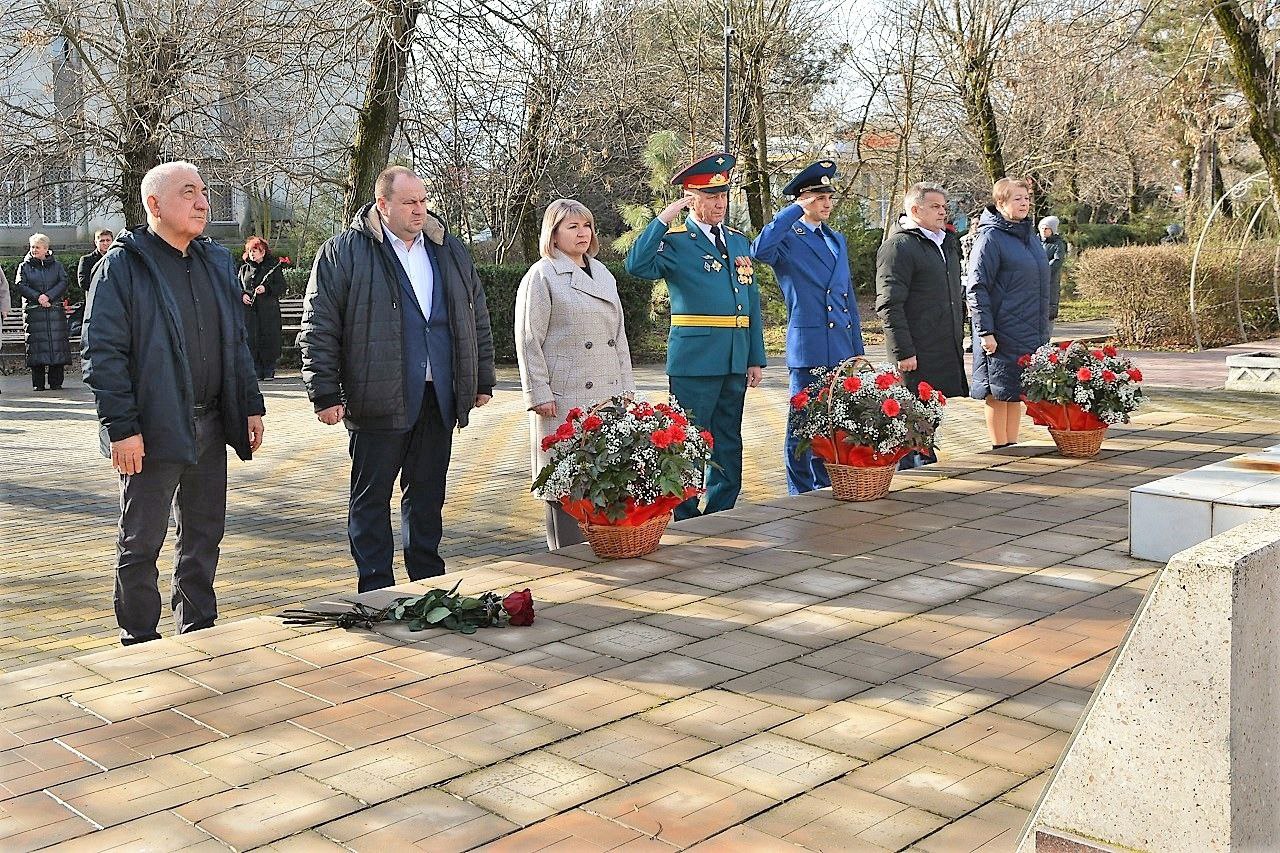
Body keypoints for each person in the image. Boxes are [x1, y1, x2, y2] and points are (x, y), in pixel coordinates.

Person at [81, 161, 266, 646]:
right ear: (154, 204)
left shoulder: (217, 262)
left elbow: (236, 343)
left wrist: (249, 404)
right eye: (189, 192)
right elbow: (102, 354)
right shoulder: (122, 266)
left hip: (211, 427)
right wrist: (121, 428)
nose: (203, 201)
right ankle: (138, 638)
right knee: (141, 542)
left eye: (204, 191)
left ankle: (198, 632)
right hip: (152, 430)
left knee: (203, 537)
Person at [299, 165, 496, 592]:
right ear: (383, 204)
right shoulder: (343, 252)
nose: (419, 210)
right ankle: (377, 588)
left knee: (427, 495)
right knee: (371, 498)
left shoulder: (448, 250)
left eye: (424, 201)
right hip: (377, 395)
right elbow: (319, 325)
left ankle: (427, 580)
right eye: (410, 202)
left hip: (437, 394)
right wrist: (324, 391)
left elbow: (475, 315)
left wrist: (481, 378)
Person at [625, 152, 766, 520]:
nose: (720, 203)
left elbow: (751, 302)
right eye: (710, 197)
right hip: (695, 360)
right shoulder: (676, 241)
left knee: (728, 438)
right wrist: (662, 219)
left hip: (735, 357)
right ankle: (685, 513)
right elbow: (636, 265)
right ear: (691, 199)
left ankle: (722, 509)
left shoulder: (737, 241)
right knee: (687, 440)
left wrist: (755, 358)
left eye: (723, 196)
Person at [517, 199, 635, 549]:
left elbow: (619, 339)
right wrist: (538, 392)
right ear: (553, 234)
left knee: (603, 476)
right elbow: (528, 338)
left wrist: (627, 390)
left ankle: (604, 547)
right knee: (565, 481)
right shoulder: (542, 275)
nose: (583, 233)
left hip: (606, 394)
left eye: (586, 226)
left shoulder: (603, 273)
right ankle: (565, 557)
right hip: (564, 396)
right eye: (573, 227)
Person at [751, 160, 863, 493]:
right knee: (802, 422)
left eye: (829, 196)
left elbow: (848, 297)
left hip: (840, 344)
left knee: (832, 419)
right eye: (818, 196)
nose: (827, 203)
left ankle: (826, 481)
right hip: (810, 344)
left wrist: (857, 350)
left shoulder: (836, 239)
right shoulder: (789, 236)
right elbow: (760, 250)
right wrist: (791, 213)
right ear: (802, 199)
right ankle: (799, 488)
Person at [875, 182, 969, 469]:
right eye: (935, 207)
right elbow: (889, 303)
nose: (943, 212)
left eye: (944, 206)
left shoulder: (946, 242)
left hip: (943, 344)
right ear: (915, 210)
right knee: (911, 415)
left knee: (931, 412)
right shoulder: (899, 247)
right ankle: (911, 468)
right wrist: (903, 351)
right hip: (915, 350)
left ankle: (925, 459)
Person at [966, 177, 1051, 449]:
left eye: (1026, 198)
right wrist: (985, 332)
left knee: (1016, 391)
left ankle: (1012, 445)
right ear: (1001, 203)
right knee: (997, 392)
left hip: (1029, 329)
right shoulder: (990, 238)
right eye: (1017, 198)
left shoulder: (1031, 237)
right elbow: (977, 287)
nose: (1024, 203)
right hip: (1000, 330)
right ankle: (998, 449)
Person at [16, 233, 71, 391]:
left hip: (54, 312)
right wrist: (38, 297)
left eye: (37, 247)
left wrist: (49, 296)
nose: (34, 250)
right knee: (36, 348)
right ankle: (38, 383)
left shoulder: (57, 266)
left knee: (57, 346)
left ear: (46, 249)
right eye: (32, 247)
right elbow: (21, 284)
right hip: (34, 314)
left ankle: (56, 382)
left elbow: (63, 281)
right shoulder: (24, 266)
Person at [237, 236, 286, 380]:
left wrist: (266, 288)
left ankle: (269, 369)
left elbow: (281, 286)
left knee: (268, 339)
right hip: (250, 313)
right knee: (252, 340)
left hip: (268, 312)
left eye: (256, 251)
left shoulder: (273, 267)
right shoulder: (244, 268)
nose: (253, 254)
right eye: (250, 251)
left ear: (263, 252)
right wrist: (242, 295)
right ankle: (256, 370)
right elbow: (237, 285)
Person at [72, 230, 114, 335]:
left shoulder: (117, 259)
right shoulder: (86, 260)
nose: (105, 243)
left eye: (108, 240)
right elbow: (83, 282)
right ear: (95, 242)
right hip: (95, 304)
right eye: (102, 240)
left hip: (114, 304)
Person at [1039, 216, 1066, 335]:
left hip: (1050, 282)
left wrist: (1043, 271)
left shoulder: (1058, 244)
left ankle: (1046, 339)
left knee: (1049, 310)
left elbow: (1057, 261)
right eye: (1042, 228)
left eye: (1047, 229)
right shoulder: (1035, 242)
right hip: (1034, 281)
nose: (1043, 231)